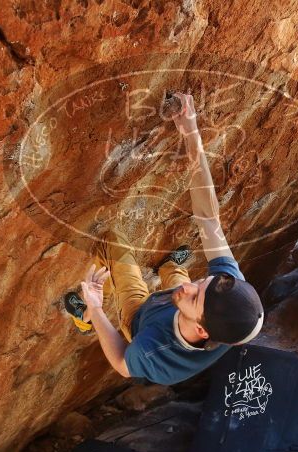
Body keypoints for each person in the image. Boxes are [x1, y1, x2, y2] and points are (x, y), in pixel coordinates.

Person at [64, 93, 264, 385]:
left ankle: (82, 319)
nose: (190, 287)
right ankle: (169, 267)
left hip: (141, 319)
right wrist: (191, 132)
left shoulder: (157, 353)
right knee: (176, 280)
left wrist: (95, 307)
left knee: (112, 239)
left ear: (202, 332)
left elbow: (121, 363)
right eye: (201, 282)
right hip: (174, 311)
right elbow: (209, 220)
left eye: (196, 296)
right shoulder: (233, 299)